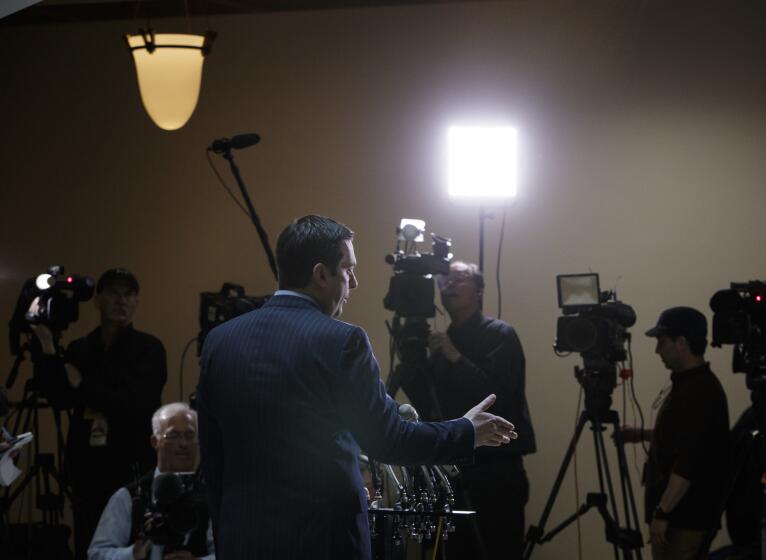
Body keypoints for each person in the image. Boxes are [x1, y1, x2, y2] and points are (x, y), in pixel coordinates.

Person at [197, 215, 517, 560]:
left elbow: (213, 460)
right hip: (323, 543)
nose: (354, 283)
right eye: (348, 270)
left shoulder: (219, 341)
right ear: (321, 274)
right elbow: (388, 440)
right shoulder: (342, 341)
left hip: (242, 541)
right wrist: (465, 431)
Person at [400, 260, 536, 560]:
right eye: (443, 280)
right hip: (451, 471)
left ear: (479, 290)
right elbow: (430, 410)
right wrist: (411, 366)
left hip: (495, 474)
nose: (448, 284)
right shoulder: (439, 344)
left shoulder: (500, 334)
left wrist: (451, 354)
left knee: (497, 549)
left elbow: (497, 397)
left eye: (459, 278)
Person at [33, 268, 167, 558]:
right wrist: (45, 345)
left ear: (136, 301)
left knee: (131, 546)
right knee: (88, 545)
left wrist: (82, 385)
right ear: (98, 300)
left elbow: (134, 404)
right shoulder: (81, 349)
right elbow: (57, 397)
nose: (122, 301)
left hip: (131, 468)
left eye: (129, 294)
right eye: (114, 293)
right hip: (85, 469)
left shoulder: (149, 349)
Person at [620, 307, 730, 560]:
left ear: (681, 343)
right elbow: (684, 435)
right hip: (681, 520)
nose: (657, 350)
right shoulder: (691, 384)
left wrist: (664, 512)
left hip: (683, 521)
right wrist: (642, 434)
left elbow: (689, 459)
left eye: (662, 342)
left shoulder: (699, 391)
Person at [88, 402, 213, 560]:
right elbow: (96, 554)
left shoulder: (210, 499)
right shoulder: (128, 497)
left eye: (190, 436)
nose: (183, 444)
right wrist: (131, 555)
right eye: (173, 435)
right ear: (155, 442)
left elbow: (232, 552)